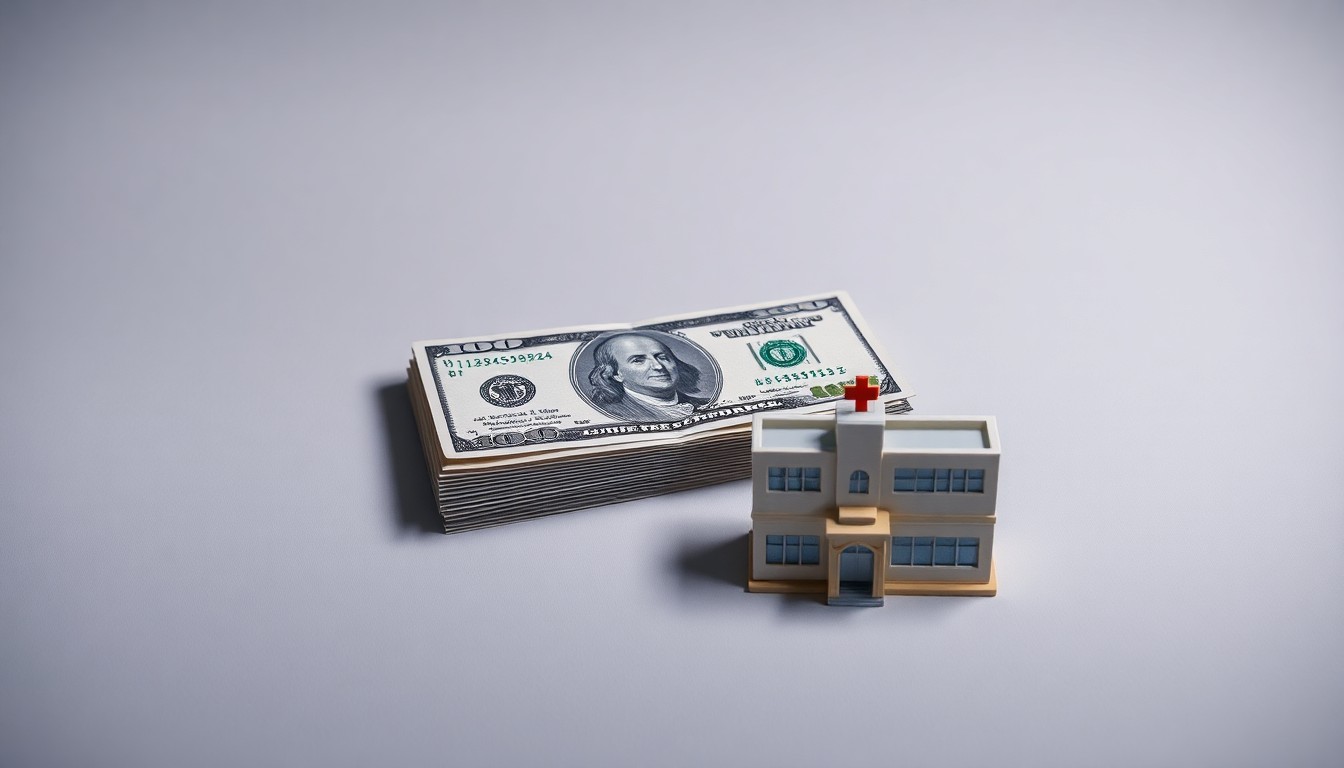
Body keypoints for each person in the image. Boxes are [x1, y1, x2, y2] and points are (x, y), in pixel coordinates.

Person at [587, 332, 711, 422]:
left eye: (662, 357)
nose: (658, 366)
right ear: (615, 374)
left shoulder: (707, 404)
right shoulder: (611, 414)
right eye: (638, 360)